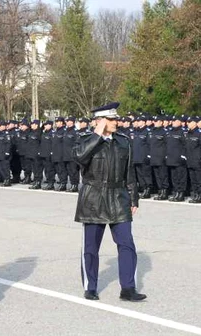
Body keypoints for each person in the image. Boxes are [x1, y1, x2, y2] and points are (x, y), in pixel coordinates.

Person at [73, 102, 145, 302]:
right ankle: (91, 287)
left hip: (118, 196)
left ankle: (128, 288)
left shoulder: (123, 141)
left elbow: (129, 172)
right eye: (111, 119)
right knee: (91, 247)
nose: (116, 122)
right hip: (93, 197)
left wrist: (133, 197)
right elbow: (79, 157)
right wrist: (97, 134)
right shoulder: (84, 140)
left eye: (116, 119)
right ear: (99, 121)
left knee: (127, 244)